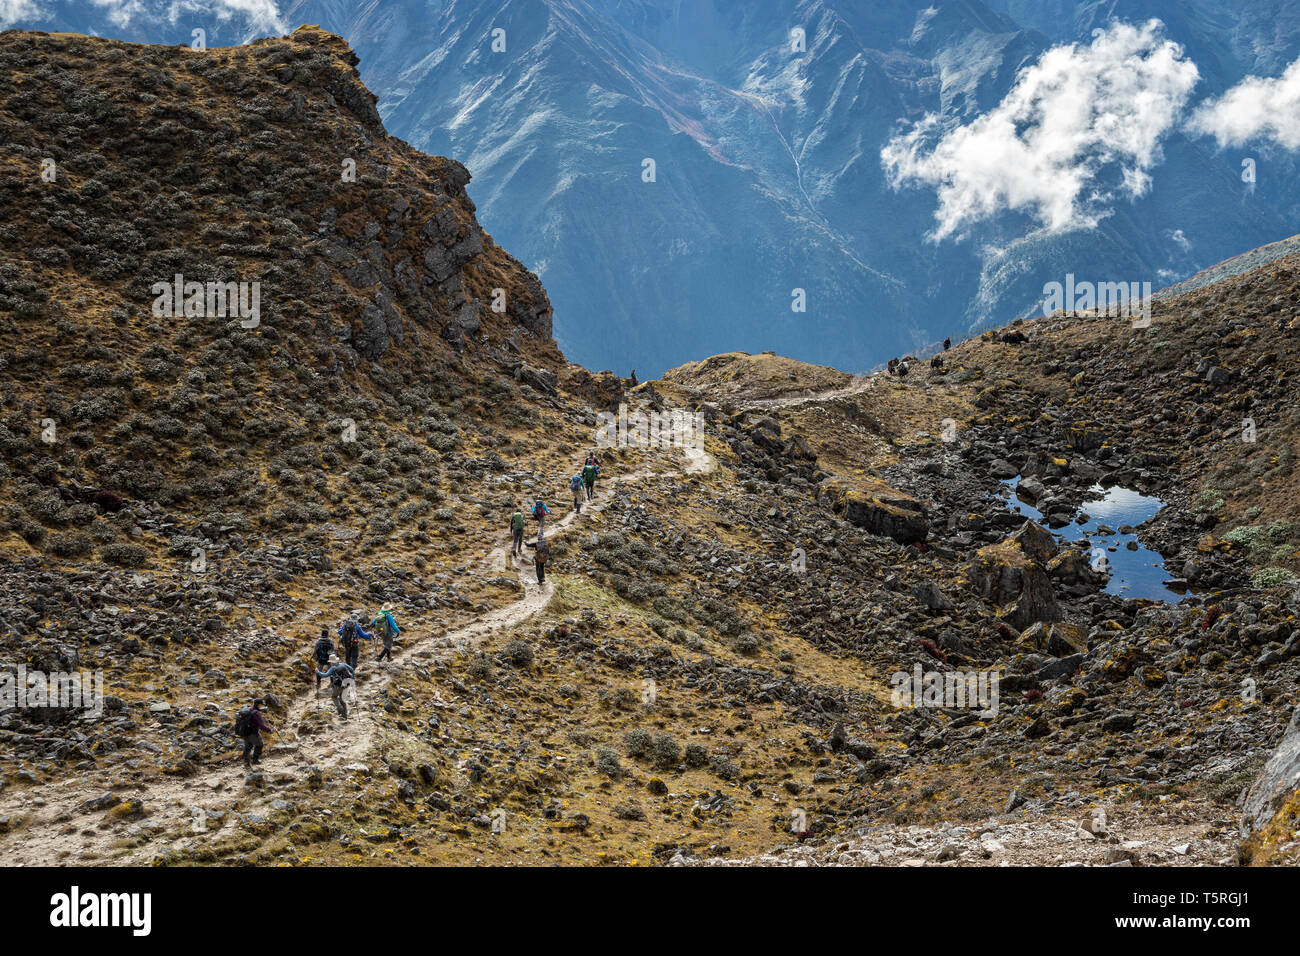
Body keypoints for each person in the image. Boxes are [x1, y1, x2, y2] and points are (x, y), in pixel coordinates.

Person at [234, 698, 275, 769]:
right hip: (253, 732)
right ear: (258, 705)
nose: (262, 706)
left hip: (244, 732)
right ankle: (255, 760)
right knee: (260, 744)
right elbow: (262, 726)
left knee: (248, 747)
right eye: (261, 705)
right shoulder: (256, 713)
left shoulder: (248, 709)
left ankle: (246, 763)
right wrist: (270, 730)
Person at [316, 655, 354, 720]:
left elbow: (325, 675)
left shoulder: (333, 668)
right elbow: (352, 669)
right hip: (346, 684)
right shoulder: (343, 664)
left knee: (334, 697)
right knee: (342, 699)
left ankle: (340, 708)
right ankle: (345, 715)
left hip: (337, 686)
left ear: (332, 662)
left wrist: (318, 672)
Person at [313, 627, 334, 693]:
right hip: (329, 659)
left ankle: (318, 684)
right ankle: (332, 682)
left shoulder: (318, 641)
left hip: (320, 659)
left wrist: (312, 657)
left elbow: (315, 650)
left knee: (318, 671)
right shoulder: (330, 641)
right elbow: (332, 650)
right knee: (332, 671)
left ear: (321, 634)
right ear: (327, 634)